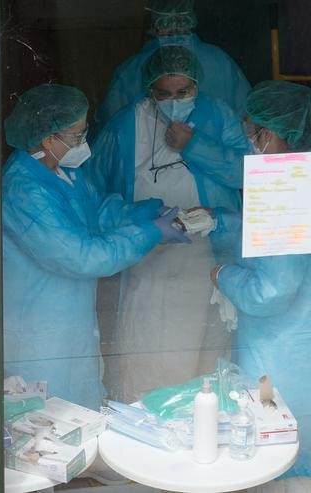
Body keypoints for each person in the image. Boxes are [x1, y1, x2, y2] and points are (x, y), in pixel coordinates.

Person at [2, 84, 189, 410]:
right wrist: (149, 234)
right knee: (48, 429)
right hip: (39, 331)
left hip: (71, 322)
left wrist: (148, 212)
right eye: (76, 136)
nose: (83, 143)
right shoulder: (23, 190)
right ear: (48, 139)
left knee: (80, 414)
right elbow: (81, 256)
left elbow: (99, 213)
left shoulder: (64, 171)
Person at [88, 45, 250, 403]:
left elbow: (248, 171)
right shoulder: (125, 126)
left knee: (204, 356)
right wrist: (139, 220)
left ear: (197, 85)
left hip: (208, 257)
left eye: (183, 93)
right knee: (148, 351)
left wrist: (196, 145)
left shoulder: (217, 117)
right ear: (149, 89)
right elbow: (93, 190)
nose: (173, 100)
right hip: (147, 260)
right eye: (163, 94)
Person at [209, 80, 311, 481]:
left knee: (276, 454)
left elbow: (271, 292)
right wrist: (220, 221)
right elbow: (298, 239)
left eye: (252, 131)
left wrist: (222, 275)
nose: (250, 139)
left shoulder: (281, 184)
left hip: (277, 363)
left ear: (269, 133)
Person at [95, 0, 250, 131]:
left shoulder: (132, 68)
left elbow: (109, 127)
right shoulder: (219, 60)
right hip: (212, 162)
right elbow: (247, 119)